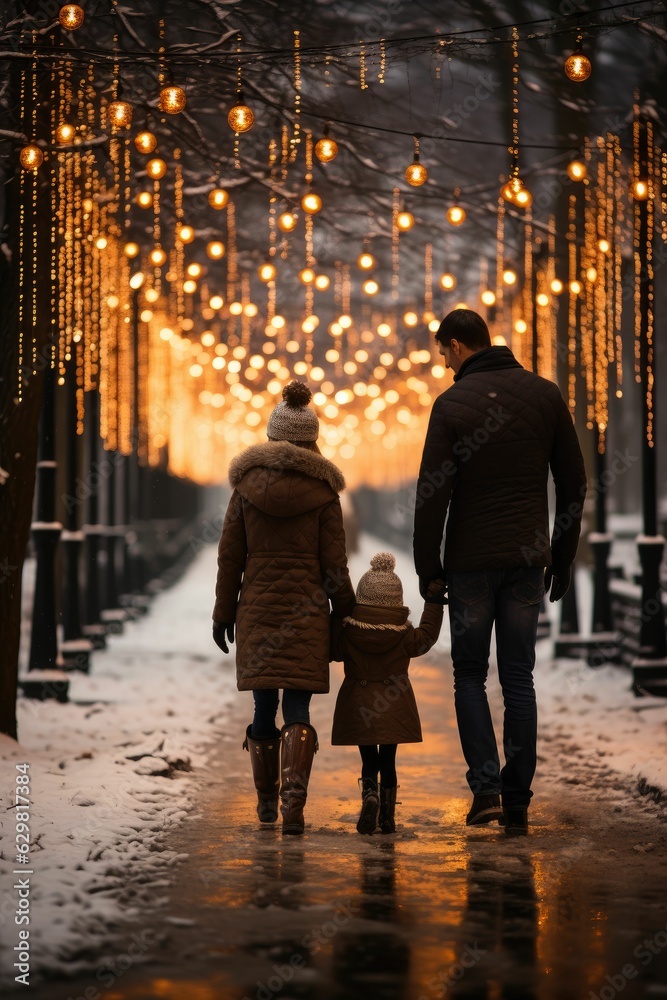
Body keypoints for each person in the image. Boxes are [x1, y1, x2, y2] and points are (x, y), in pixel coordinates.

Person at [413, 309, 587, 836]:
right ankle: (518, 797)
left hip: (469, 567)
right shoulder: (545, 395)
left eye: (444, 351)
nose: (443, 363)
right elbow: (574, 483)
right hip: (527, 562)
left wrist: (430, 571)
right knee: (518, 677)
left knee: (469, 674)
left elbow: (432, 494)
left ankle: (486, 788)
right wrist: (562, 552)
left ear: (460, 345)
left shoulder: (450, 406)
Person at [213, 380, 355, 835]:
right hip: (306, 616)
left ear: (272, 438)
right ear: (312, 440)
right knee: (298, 709)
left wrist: (222, 613)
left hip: (256, 611)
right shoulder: (325, 494)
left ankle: (266, 802)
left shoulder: (245, 489)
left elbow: (229, 557)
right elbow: (335, 566)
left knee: (262, 705)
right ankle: (294, 802)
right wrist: (346, 613)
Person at [331, 552, 443, 835]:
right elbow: (427, 636)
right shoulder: (404, 635)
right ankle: (387, 817)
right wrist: (434, 600)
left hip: (359, 705)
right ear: (397, 601)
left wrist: (336, 613)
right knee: (388, 763)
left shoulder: (348, 632)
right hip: (393, 705)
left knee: (369, 760)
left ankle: (370, 795)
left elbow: (331, 650)